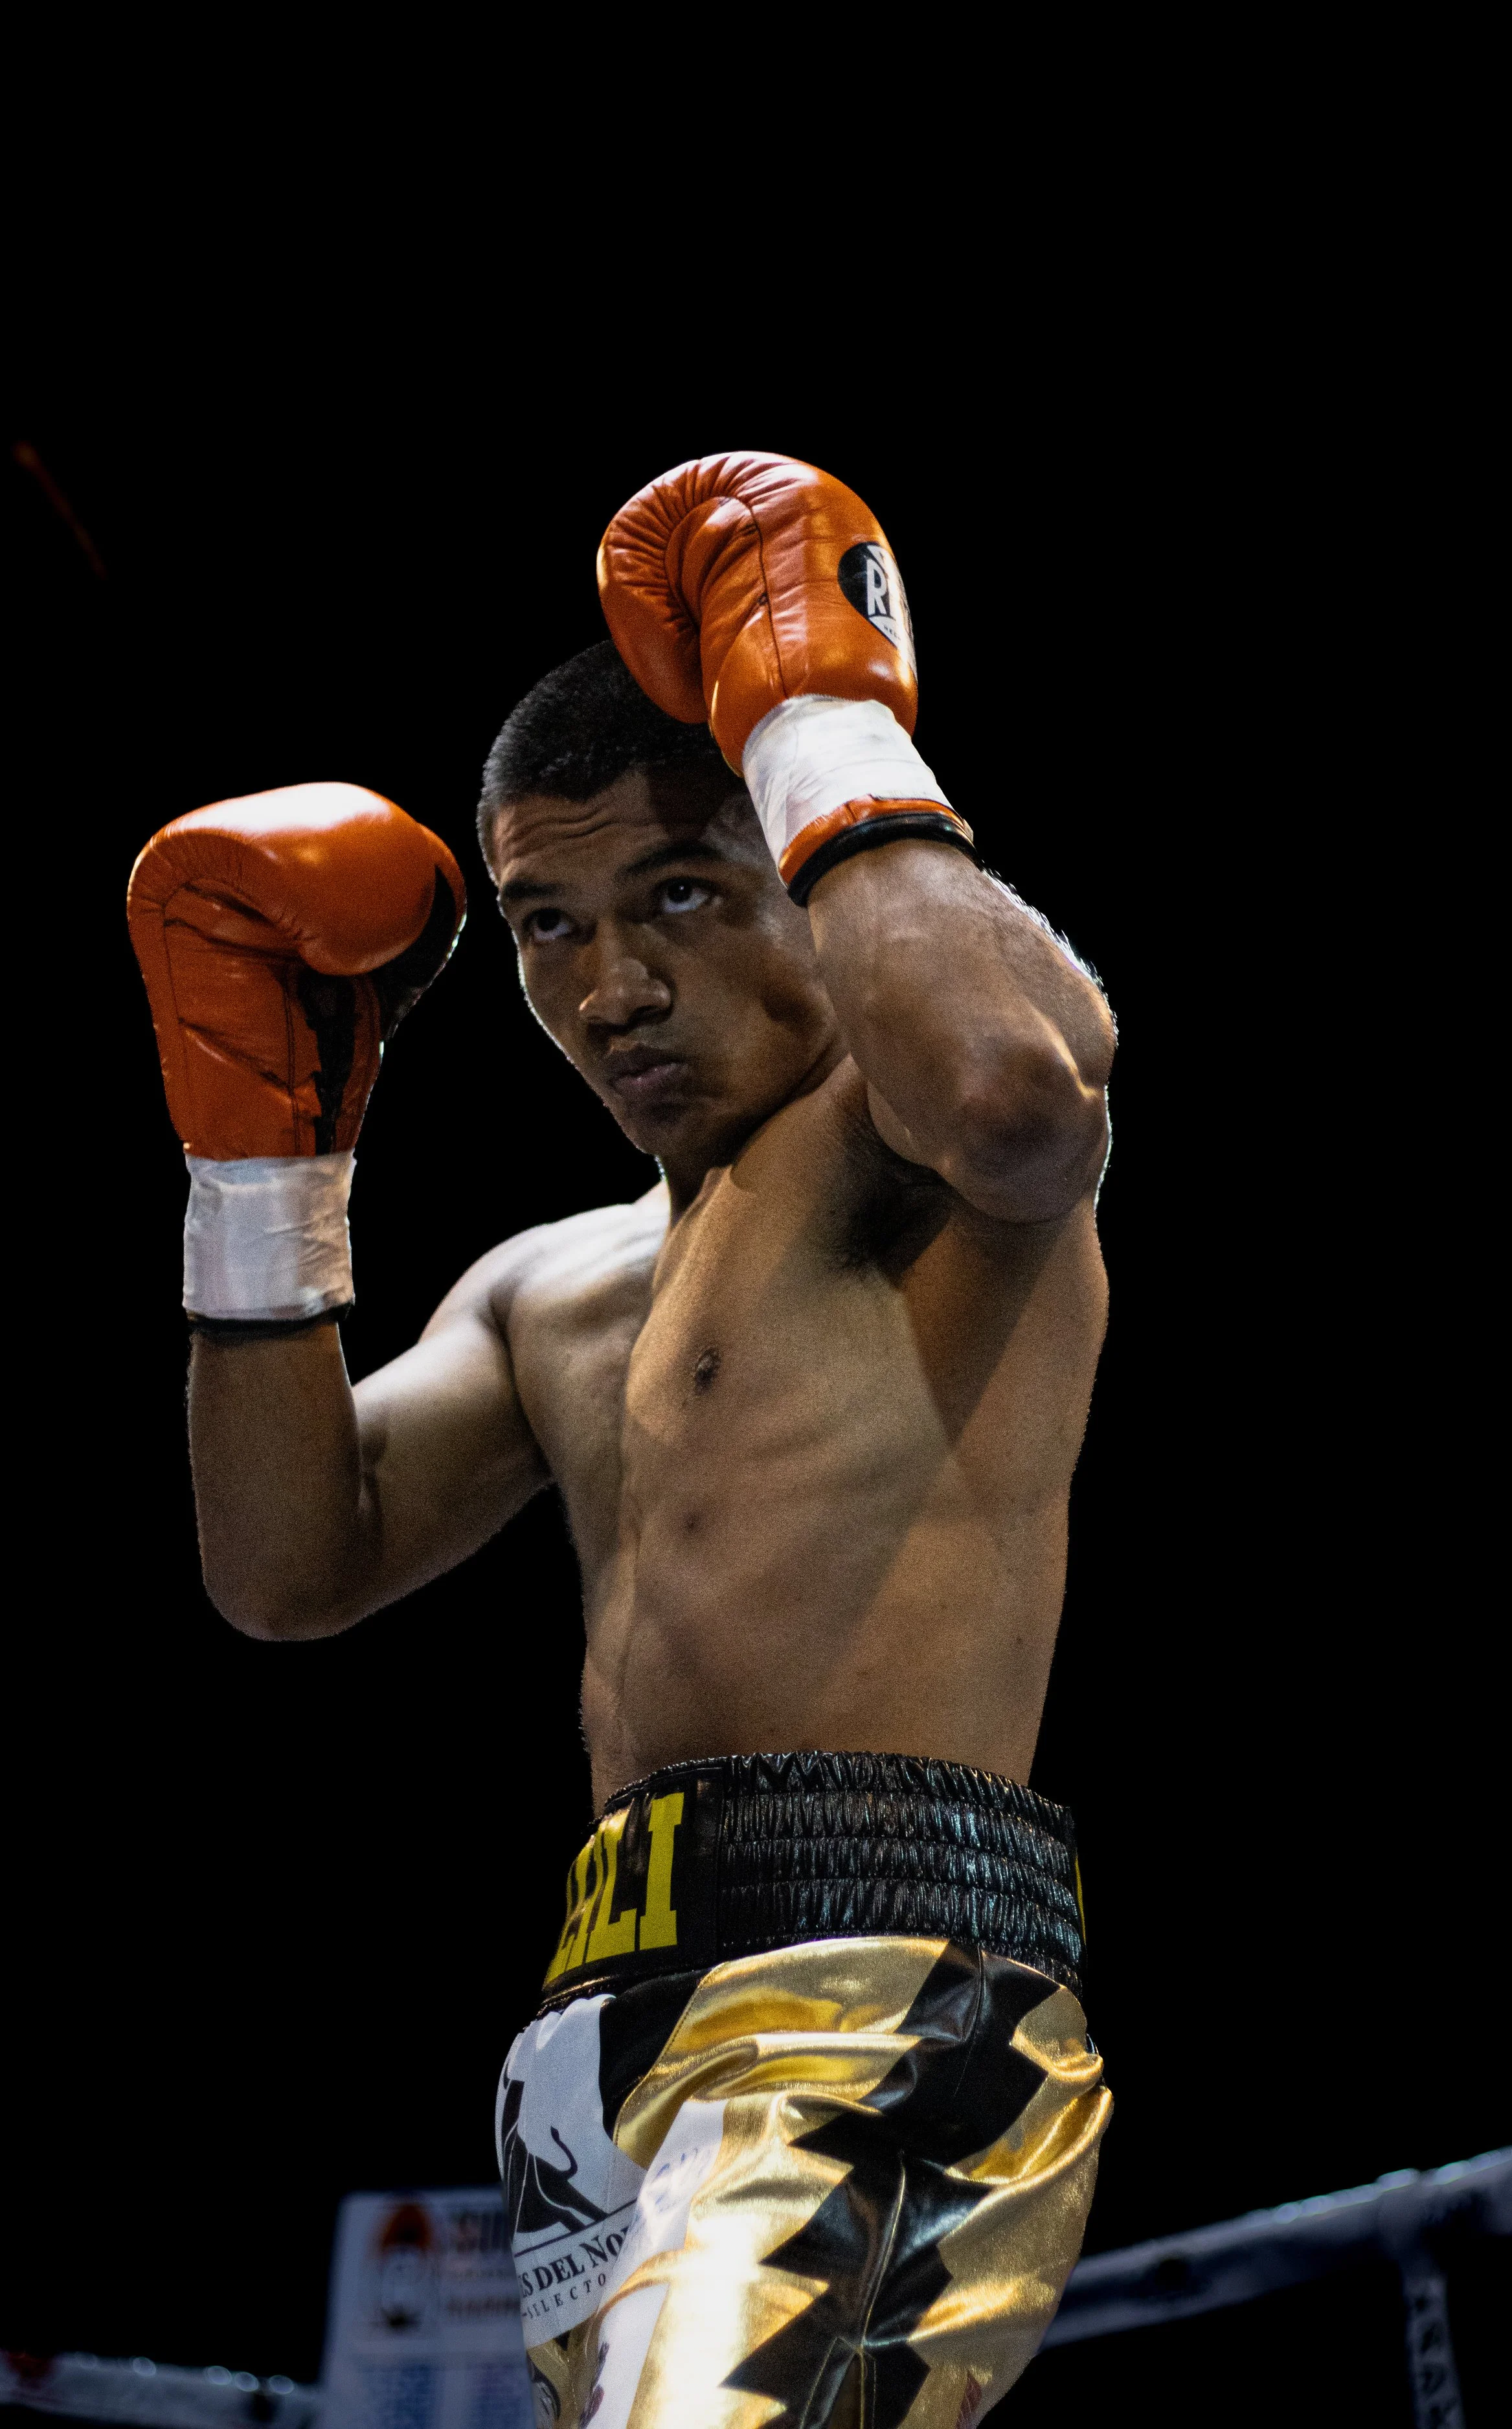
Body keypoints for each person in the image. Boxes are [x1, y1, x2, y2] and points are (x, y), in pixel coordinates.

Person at [128, 454, 1118, 2426]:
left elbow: (1017, 1096)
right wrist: (266, 1165)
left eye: (676, 894)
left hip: (875, 1987)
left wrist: (814, 717)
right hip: (592, 2052)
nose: (611, 987)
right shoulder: (549, 1290)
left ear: (798, 874)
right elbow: (287, 1564)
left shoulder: (916, 1151)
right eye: (545, 925)